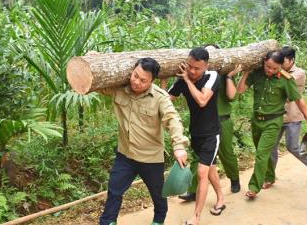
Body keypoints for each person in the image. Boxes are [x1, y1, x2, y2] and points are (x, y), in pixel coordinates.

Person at [98, 57, 190, 225]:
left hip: (150, 158)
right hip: (125, 155)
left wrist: (179, 146)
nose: (137, 82)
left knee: (158, 194)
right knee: (114, 190)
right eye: (135, 76)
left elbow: (173, 120)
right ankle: (108, 221)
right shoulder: (119, 89)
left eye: (143, 80)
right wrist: (94, 59)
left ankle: (158, 220)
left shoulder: (160, 98)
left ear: (152, 81)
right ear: (132, 70)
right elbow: (96, 83)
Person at [236, 50, 307, 199]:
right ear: (263, 61)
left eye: (275, 68)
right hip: (256, 121)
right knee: (263, 153)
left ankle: (254, 187)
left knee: (261, 154)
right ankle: (270, 176)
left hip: (273, 122)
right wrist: (246, 73)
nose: (270, 70)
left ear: (281, 66)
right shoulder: (257, 73)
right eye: (268, 67)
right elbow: (240, 90)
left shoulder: (286, 80)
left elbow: (299, 100)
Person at [168, 47, 225, 225]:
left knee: (202, 173)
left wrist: (186, 79)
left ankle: (196, 217)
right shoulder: (182, 80)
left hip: (211, 134)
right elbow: (166, 99)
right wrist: (164, 81)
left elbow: (202, 100)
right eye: (190, 66)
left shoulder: (213, 76)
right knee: (210, 169)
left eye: (197, 68)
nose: (192, 71)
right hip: (196, 134)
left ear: (206, 66)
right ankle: (221, 199)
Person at [178, 46, 242, 203]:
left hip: (222, 121)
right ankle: (193, 190)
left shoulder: (222, 74)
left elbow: (232, 96)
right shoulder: (195, 75)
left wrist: (229, 77)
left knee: (226, 154)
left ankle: (234, 179)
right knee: (200, 162)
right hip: (202, 127)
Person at [264, 46, 307, 187]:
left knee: (292, 147)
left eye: (283, 61)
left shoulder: (299, 73)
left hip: (293, 117)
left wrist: (274, 66)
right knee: (271, 147)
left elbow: (283, 82)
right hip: (277, 116)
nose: (281, 64)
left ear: (292, 60)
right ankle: (270, 177)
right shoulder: (278, 70)